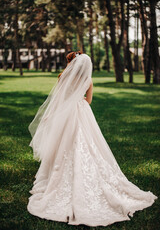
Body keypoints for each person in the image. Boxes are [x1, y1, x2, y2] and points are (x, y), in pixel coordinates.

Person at [27, 51, 157, 227]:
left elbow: (58, 100)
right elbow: (88, 101)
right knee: (87, 143)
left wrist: (54, 114)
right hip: (82, 113)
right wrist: (78, 100)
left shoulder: (63, 78)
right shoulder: (88, 80)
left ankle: (55, 175)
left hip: (66, 113)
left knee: (64, 144)